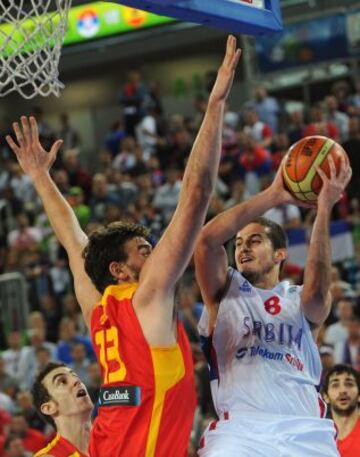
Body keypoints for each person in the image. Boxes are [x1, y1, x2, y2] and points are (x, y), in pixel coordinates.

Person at [6, 36, 241, 457]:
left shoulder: (98, 310)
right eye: (144, 249)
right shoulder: (147, 297)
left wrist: (40, 178)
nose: (155, 255)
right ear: (119, 269)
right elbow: (197, 192)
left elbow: (72, 238)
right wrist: (216, 105)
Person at [194, 151, 352, 456]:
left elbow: (319, 291)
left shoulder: (299, 300)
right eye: (238, 243)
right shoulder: (224, 292)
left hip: (305, 430)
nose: (242, 248)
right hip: (240, 433)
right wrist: (274, 194)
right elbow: (206, 242)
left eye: (254, 241)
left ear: (280, 254)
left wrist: (323, 209)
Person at [32, 362, 92, 457]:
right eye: (63, 381)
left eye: (75, 376)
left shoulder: (113, 437)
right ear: (49, 408)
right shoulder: (49, 455)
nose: (76, 381)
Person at [322, 364, 360, 457]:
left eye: (349, 384)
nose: (343, 390)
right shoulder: (319, 435)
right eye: (335, 385)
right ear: (325, 396)